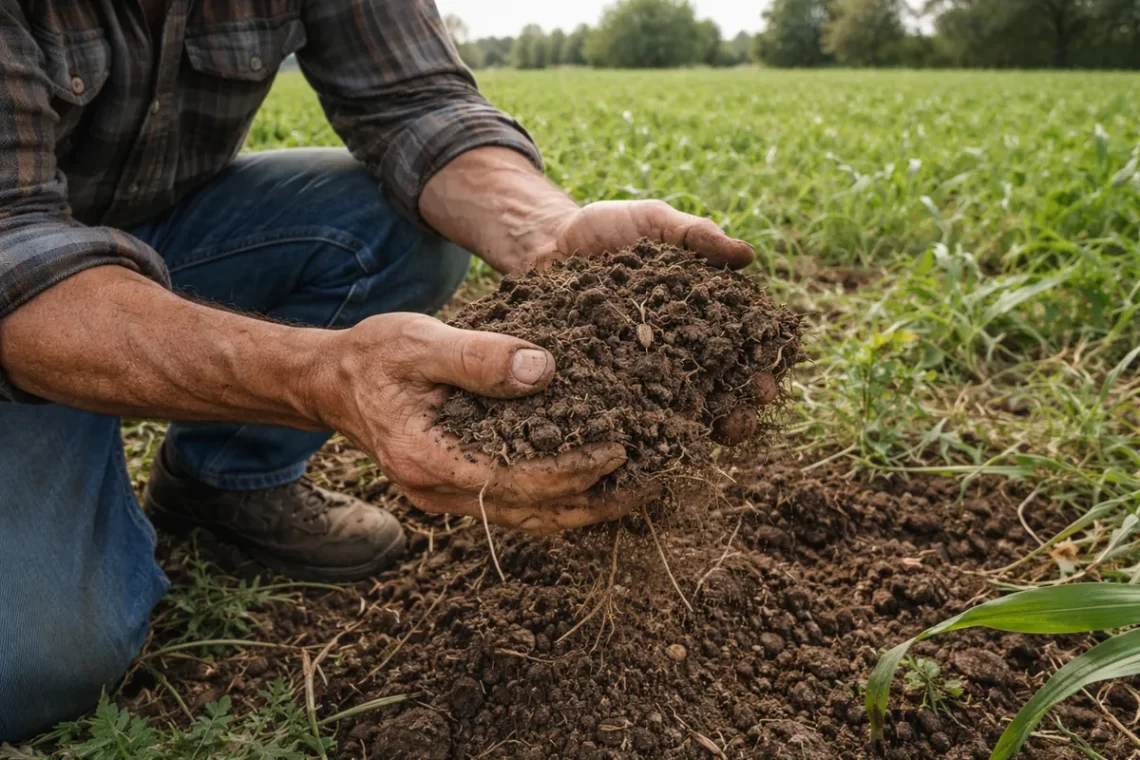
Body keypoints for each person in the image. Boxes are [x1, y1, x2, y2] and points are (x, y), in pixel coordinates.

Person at [0, 0, 756, 740]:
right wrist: (325, 377)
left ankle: (224, 484)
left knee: (395, 221)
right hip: (18, 279)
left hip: (156, 229)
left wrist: (546, 230)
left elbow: (417, 101)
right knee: (39, 663)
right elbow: (13, 244)